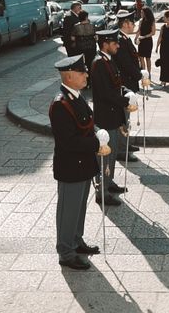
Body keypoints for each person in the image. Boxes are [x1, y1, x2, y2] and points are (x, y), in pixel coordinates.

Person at [49, 54, 111, 270]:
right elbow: (68, 142)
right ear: (68, 76)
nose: (86, 74)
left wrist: (98, 131)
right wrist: (96, 144)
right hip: (70, 167)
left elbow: (88, 123)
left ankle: (76, 241)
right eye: (81, 72)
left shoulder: (77, 96)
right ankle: (65, 251)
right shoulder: (60, 104)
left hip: (83, 164)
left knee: (79, 209)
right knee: (68, 210)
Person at [91, 30, 139, 206]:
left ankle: (108, 182)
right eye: (114, 43)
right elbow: (105, 93)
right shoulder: (98, 64)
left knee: (111, 157)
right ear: (105, 44)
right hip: (106, 117)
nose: (118, 45)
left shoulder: (108, 61)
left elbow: (117, 84)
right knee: (104, 157)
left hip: (114, 116)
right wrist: (124, 100)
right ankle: (101, 192)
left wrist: (127, 92)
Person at [114, 9, 146, 160]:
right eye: (132, 22)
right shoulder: (120, 40)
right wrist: (140, 74)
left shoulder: (124, 38)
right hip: (124, 84)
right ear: (125, 23)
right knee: (123, 119)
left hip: (129, 83)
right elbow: (126, 63)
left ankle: (125, 144)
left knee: (126, 118)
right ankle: (121, 150)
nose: (134, 24)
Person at [71, 10, 97, 85]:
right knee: (91, 64)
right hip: (91, 47)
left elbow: (72, 38)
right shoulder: (92, 25)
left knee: (81, 64)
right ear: (86, 17)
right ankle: (91, 81)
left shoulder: (76, 26)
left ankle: (83, 81)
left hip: (80, 47)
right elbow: (96, 37)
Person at [135, 6, 156, 80]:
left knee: (148, 58)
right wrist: (136, 38)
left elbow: (153, 33)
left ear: (145, 13)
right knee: (141, 57)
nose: (141, 13)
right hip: (141, 41)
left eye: (142, 12)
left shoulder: (152, 21)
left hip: (148, 41)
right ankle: (144, 73)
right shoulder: (141, 20)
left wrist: (145, 36)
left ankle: (149, 73)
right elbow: (139, 30)